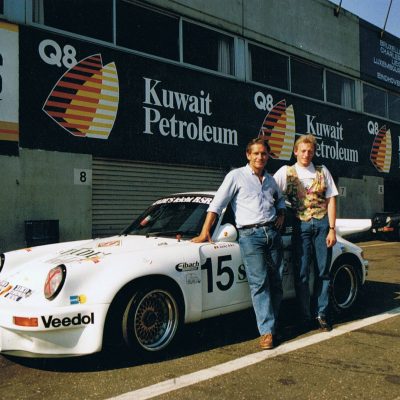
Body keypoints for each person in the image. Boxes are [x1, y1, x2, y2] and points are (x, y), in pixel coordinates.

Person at [192, 138, 286, 350]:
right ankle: (267, 332)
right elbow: (217, 204)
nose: (260, 157)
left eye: (263, 153)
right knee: (259, 283)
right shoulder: (236, 176)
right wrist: (205, 231)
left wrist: (281, 212)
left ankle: (272, 323)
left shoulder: (271, 180)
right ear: (248, 155)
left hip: (272, 233)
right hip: (250, 236)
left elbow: (279, 199)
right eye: (256, 153)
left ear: (268, 156)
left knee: (276, 282)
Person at [273, 134, 338, 332]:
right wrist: (281, 212)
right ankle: (304, 316)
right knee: (301, 273)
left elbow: (332, 199)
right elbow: (272, 193)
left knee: (322, 272)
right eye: (303, 150)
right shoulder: (286, 172)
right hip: (299, 226)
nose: (306, 154)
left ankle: (322, 314)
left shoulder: (322, 170)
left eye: (310, 151)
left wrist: (332, 229)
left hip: (321, 225)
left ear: (314, 152)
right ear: (295, 151)